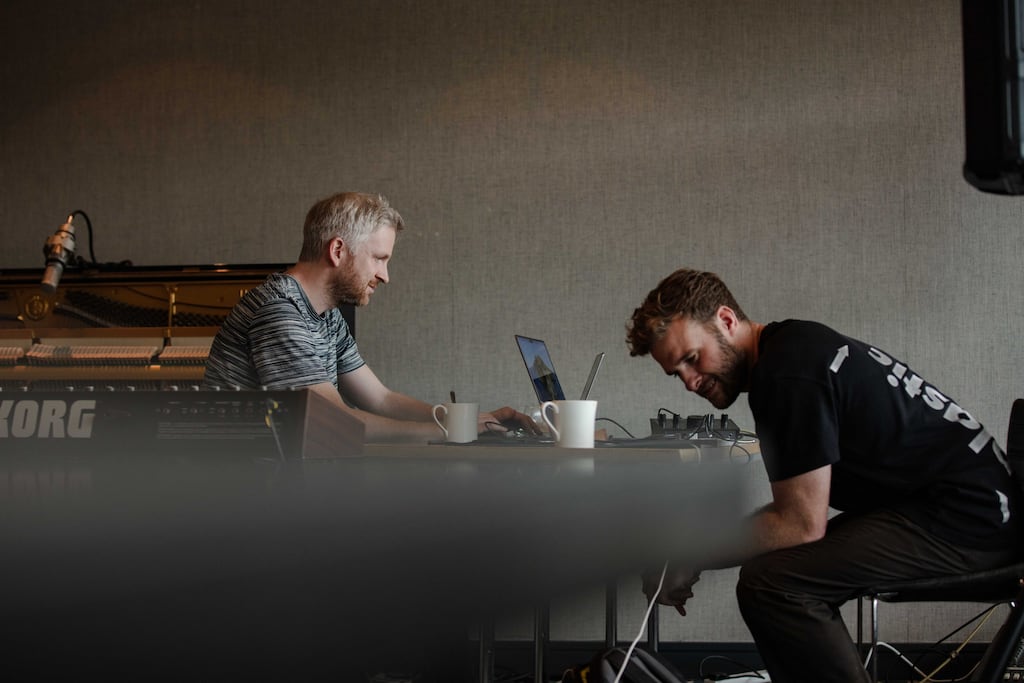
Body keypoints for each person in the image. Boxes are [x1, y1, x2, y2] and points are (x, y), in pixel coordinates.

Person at [626, 268, 1023, 683]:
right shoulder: (794, 344)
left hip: (970, 519)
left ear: (726, 320)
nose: (689, 382)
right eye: (677, 373)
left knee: (773, 586)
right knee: (773, 572)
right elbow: (795, 515)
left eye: (692, 358)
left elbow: (798, 525)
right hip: (963, 508)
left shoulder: (786, 375)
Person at [203, 191, 535, 443]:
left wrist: (472, 419)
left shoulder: (326, 315)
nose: (385, 275)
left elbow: (381, 398)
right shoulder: (279, 309)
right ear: (337, 251)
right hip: (254, 492)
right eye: (378, 258)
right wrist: (449, 432)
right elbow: (335, 420)